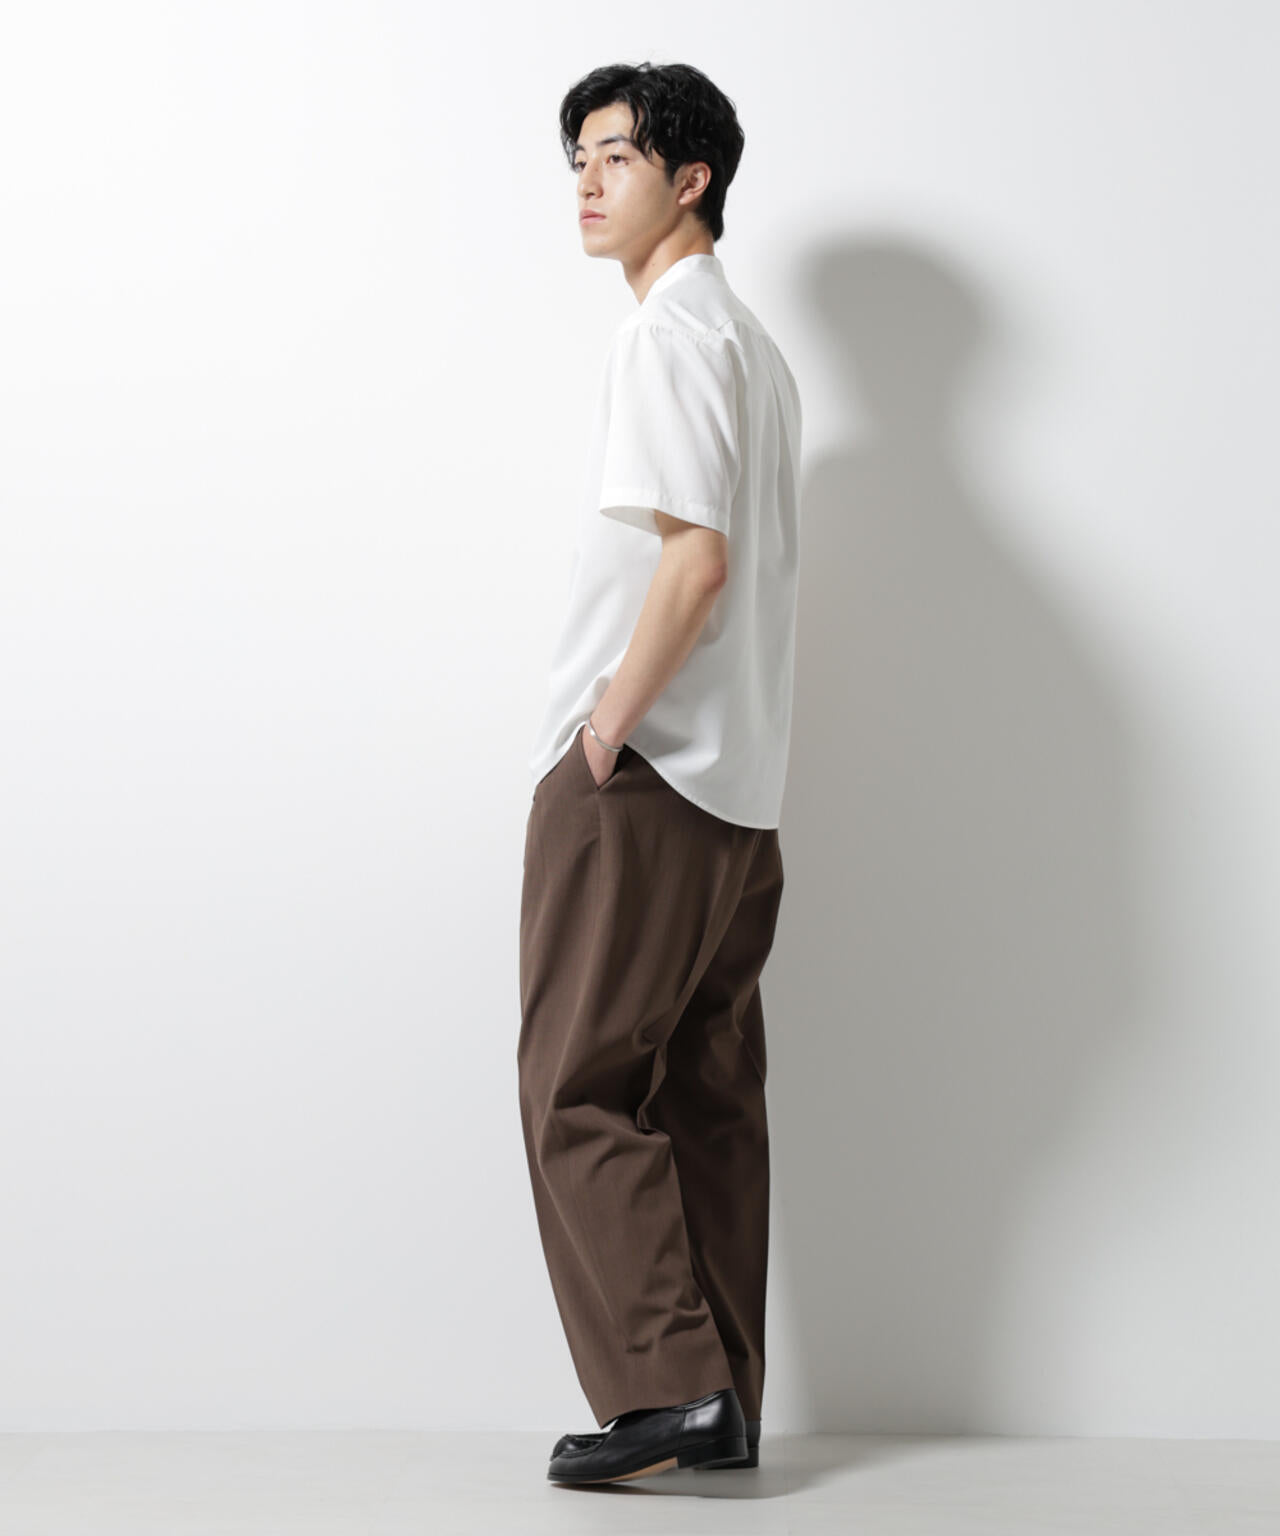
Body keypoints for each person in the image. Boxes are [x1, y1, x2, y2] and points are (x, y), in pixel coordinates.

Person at [517, 59, 803, 1486]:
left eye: (616, 155)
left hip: (643, 781)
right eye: (577, 155)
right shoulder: (757, 350)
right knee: (707, 1097)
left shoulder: (670, 335)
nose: (586, 180)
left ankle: (668, 1391)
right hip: (737, 799)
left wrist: (603, 729)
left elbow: (697, 563)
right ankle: (722, 1399)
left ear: (692, 180)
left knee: (577, 1087)